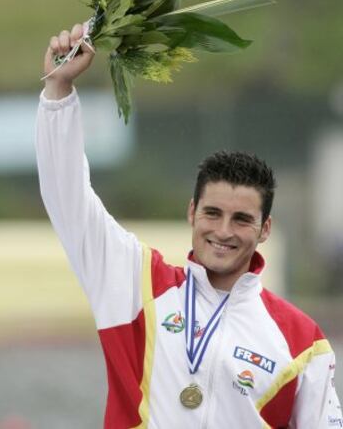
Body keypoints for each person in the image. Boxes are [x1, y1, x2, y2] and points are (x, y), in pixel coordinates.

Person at [36, 23, 342, 429]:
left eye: (242, 219)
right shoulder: (135, 283)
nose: (224, 231)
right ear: (191, 212)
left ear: (265, 229)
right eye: (213, 213)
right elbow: (67, 197)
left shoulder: (304, 342)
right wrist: (58, 92)